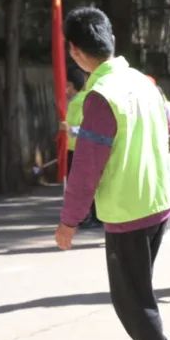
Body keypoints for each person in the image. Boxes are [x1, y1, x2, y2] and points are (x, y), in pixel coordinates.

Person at [54, 6, 170, 340]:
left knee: (130, 296)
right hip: (160, 201)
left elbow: (86, 169)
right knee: (140, 287)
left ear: (75, 51)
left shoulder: (100, 96)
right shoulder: (144, 82)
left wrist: (68, 221)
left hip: (129, 211)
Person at [60, 65, 102, 228]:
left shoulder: (83, 101)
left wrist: (70, 129)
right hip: (74, 149)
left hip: (82, 150)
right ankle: (88, 215)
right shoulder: (73, 102)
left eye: (67, 85)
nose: (64, 90)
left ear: (71, 85)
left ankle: (90, 216)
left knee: (84, 184)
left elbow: (88, 127)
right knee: (80, 184)